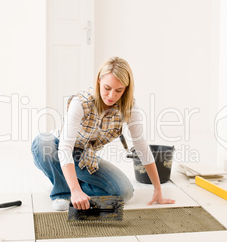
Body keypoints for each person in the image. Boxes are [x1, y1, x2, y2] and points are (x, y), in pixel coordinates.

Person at [31, 57, 175, 211]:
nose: (112, 95)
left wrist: (158, 190)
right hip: (58, 147)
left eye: (119, 90)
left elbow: (141, 147)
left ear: (126, 88)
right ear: (99, 80)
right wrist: (74, 191)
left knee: (124, 193)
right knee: (42, 142)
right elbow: (65, 148)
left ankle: (67, 182)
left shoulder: (129, 107)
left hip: (84, 156)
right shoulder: (81, 102)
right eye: (107, 88)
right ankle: (63, 191)